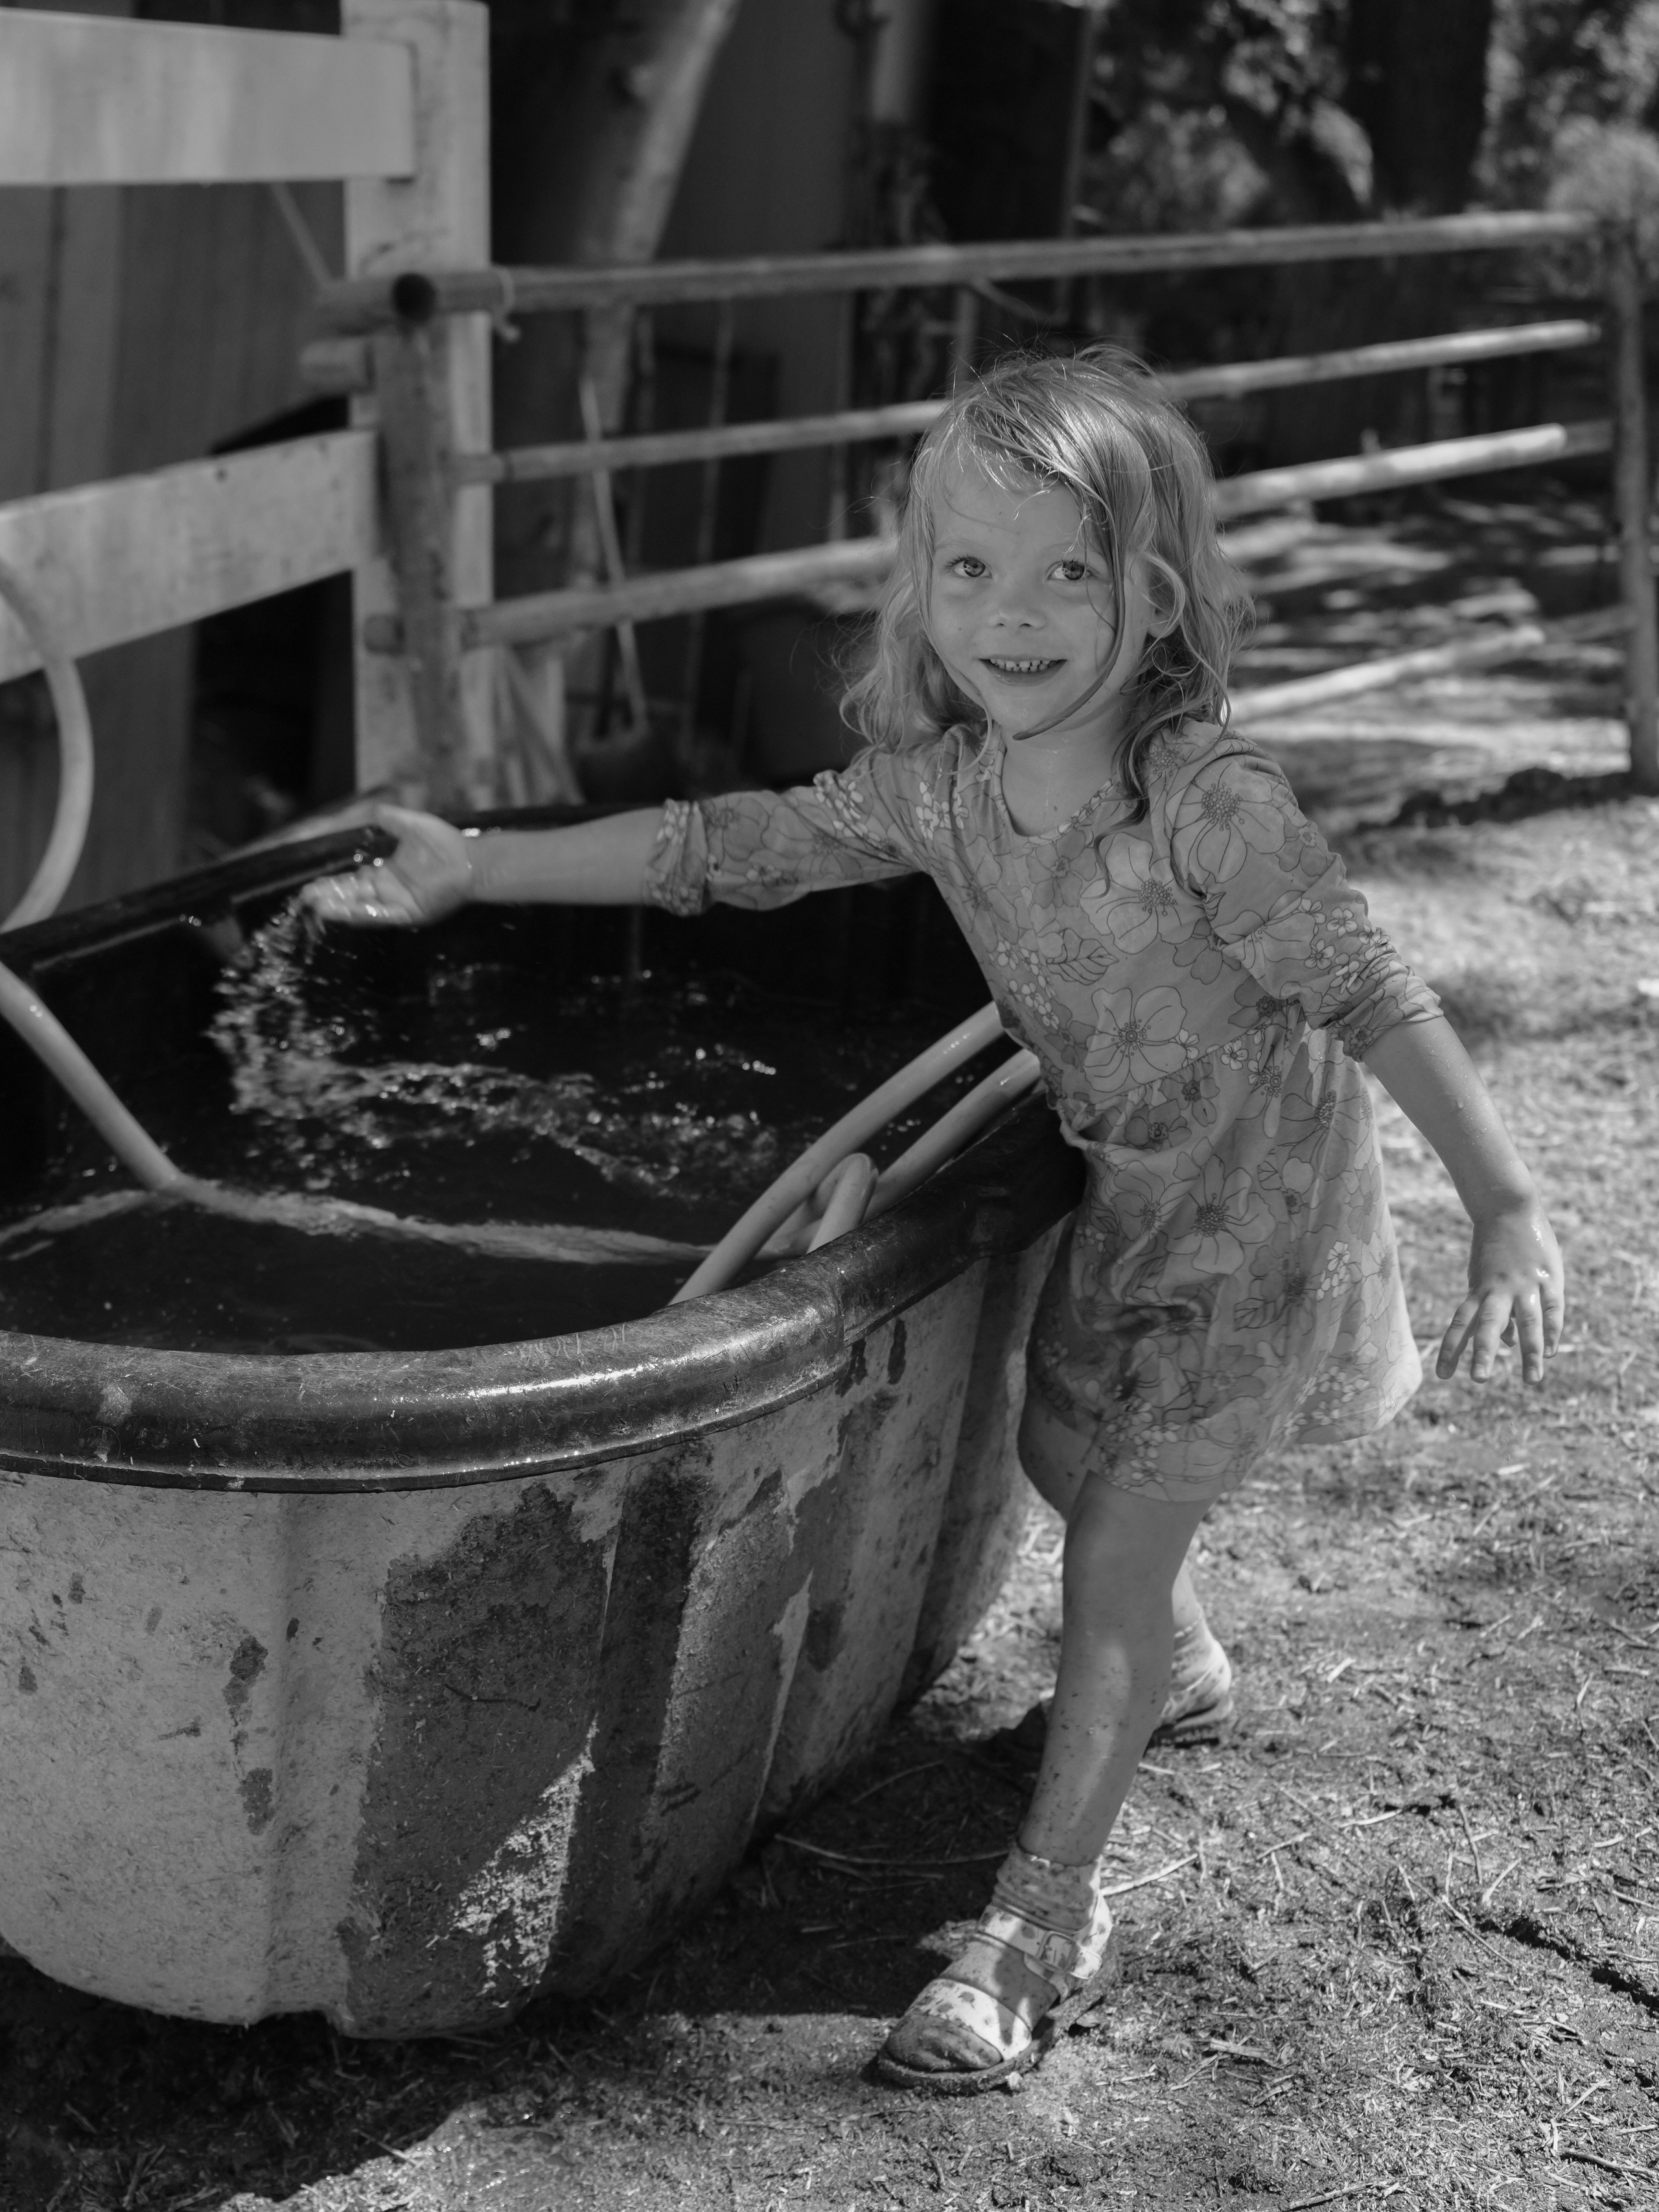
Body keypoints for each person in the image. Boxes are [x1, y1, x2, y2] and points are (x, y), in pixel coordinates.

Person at [305, 349, 1564, 2095]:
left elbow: (1366, 988)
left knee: (1108, 1557)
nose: (1016, 613)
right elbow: (725, 845)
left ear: (1158, 592)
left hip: (1261, 1222)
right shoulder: (947, 787)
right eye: (969, 569)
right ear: (919, 587)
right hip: (1123, 1192)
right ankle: (1184, 1667)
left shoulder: (1209, 805)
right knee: (1060, 1455)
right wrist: (480, 866)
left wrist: (1503, 1201)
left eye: (1068, 572)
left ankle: (1036, 1931)